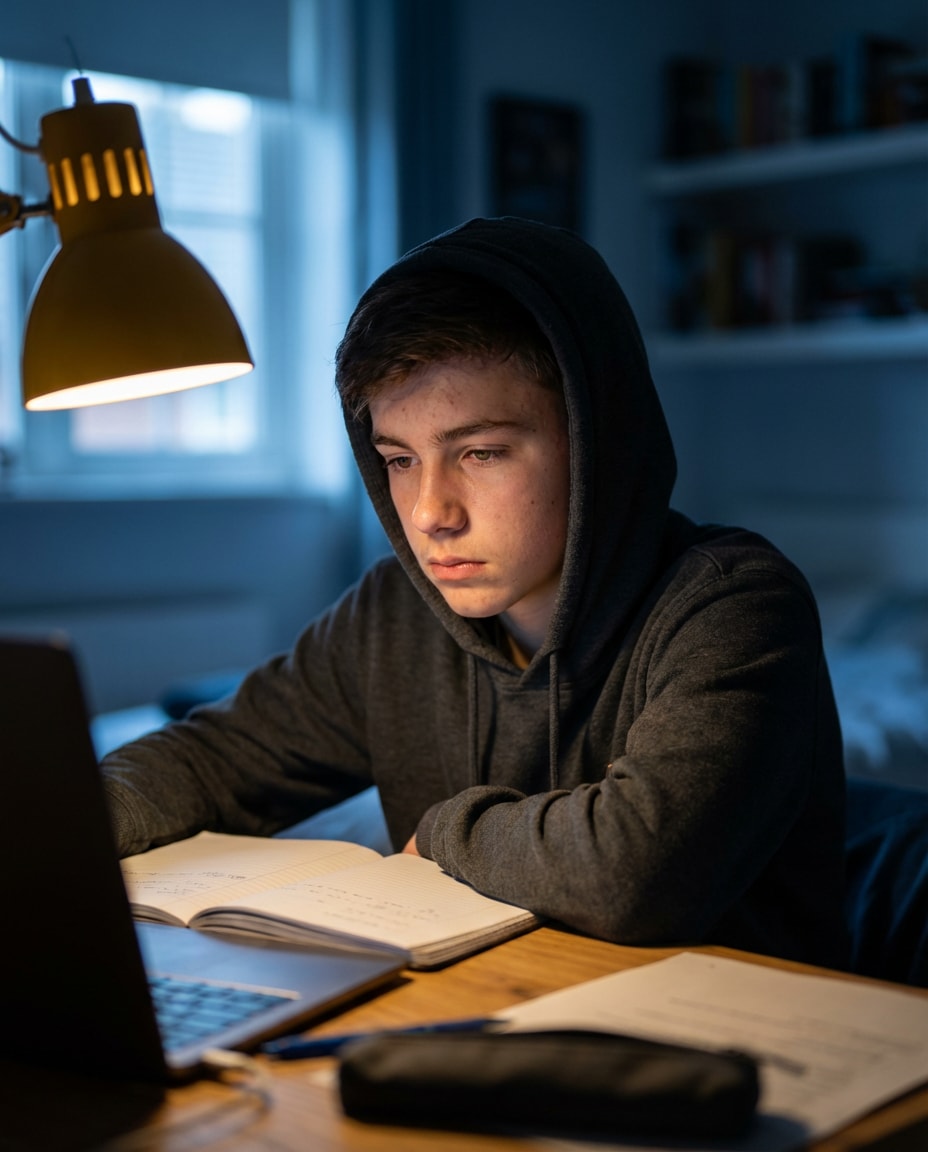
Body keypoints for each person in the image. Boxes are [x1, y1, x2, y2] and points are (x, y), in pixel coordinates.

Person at [102, 217, 849, 970]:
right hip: (489, 1023)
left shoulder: (735, 606)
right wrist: (54, 822)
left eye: (482, 452)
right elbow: (215, 758)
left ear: (596, 444)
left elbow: (635, 872)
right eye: (399, 460)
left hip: (736, 1054)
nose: (430, 513)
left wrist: (452, 832)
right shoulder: (393, 612)